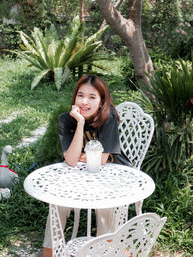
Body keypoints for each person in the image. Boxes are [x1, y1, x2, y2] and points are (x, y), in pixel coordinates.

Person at [43, 74, 131, 257]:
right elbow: (72, 161)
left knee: (105, 205)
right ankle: (50, 252)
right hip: (80, 173)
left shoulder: (109, 116)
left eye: (92, 97)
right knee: (58, 202)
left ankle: (108, 249)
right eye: (80, 95)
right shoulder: (66, 120)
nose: (84, 102)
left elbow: (100, 160)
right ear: (75, 97)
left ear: (101, 102)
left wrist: (76, 156)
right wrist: (80, 123)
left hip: (113, 172)